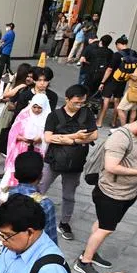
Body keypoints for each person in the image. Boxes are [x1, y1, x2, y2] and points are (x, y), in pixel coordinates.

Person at [73, 109, 137, 273]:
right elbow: (111, 166)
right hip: (112, 193)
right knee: (106, 228)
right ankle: (84, 261)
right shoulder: (121, 138)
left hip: (127, 192)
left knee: (103, 224)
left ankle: (91, 251)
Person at [40, 84, 97, 240]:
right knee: (40, 188)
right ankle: (32, 215)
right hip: (53, 160)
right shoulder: (54, 115)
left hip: (75, 163)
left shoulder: (87, 114)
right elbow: (48, 138)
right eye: (76, 102)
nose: (80, 105)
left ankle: (65, 222)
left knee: (69, 195)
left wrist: (65, 139)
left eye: (82, 102)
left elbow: (94, 135)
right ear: (67, 99)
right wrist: (75, 138)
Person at [7, 151, 57, 243]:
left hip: (8, 243)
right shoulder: (45, 204)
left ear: (15, 174)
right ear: (41, 175)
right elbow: (50, 236)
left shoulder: (7, 194)